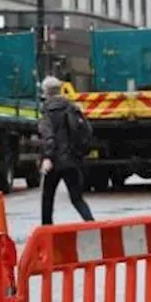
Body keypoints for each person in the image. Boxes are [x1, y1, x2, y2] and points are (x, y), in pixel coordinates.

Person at [38, 76, 95, 226]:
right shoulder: (72, 107)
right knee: (77, 199)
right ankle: (92, 225)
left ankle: (47, 231)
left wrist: (48, 157)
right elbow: (86, 131)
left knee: (47, 199)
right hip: (72, 160)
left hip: (55, 162)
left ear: (45, 92)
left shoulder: (47, 110)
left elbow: (48, 135)